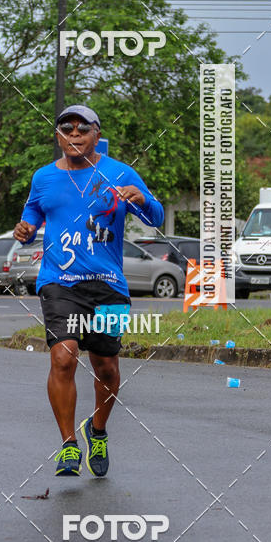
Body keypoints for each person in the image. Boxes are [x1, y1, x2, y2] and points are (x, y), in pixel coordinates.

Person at [13, 105, 164, 478]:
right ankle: (68, 446)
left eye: (83, 129)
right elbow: (33, 212)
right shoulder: (44, 177)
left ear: (97, 134)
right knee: (63, 356)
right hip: (59, 281)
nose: (74, 135)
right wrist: (26, 229)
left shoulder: (120, 173)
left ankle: (97, 430)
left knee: (107, 367)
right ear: (58, 136)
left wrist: (142, 200)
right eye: (67, 129)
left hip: (108, 284)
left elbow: (156, 218)